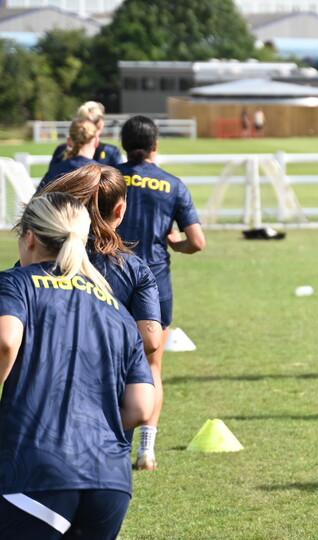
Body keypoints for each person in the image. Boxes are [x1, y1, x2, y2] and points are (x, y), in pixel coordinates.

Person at [0, 192, 154, 539]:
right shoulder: (116, 309)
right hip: (110, 483)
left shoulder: (15, 283)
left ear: (30, 237)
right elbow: (142, 406)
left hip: (36, 470)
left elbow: (6, 341)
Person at [116, 115, 206, 471]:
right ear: (155, 146)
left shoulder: (105, 177)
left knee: (108, 360)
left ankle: (113, 444)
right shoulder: (172, 185)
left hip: (109, 278)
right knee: (152, 365)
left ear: (123, 144)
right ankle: (146, 450)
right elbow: (197, 242)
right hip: (154, 283)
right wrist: (175, 244)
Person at [38, 163, 164, 365]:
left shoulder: (38, 258)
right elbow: (151, 340)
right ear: (120, 210)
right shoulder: (134, 269)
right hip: (105, 382)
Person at [49, 101, 123, 169]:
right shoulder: (111, 152)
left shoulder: (61, 151)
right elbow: (121, 180)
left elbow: (48, 181)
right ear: (101, 124)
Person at [38, 118, 99, 190]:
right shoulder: (103, 173)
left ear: (69, 142)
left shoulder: (55, 172)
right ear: (96, 141)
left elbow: (37, 199)